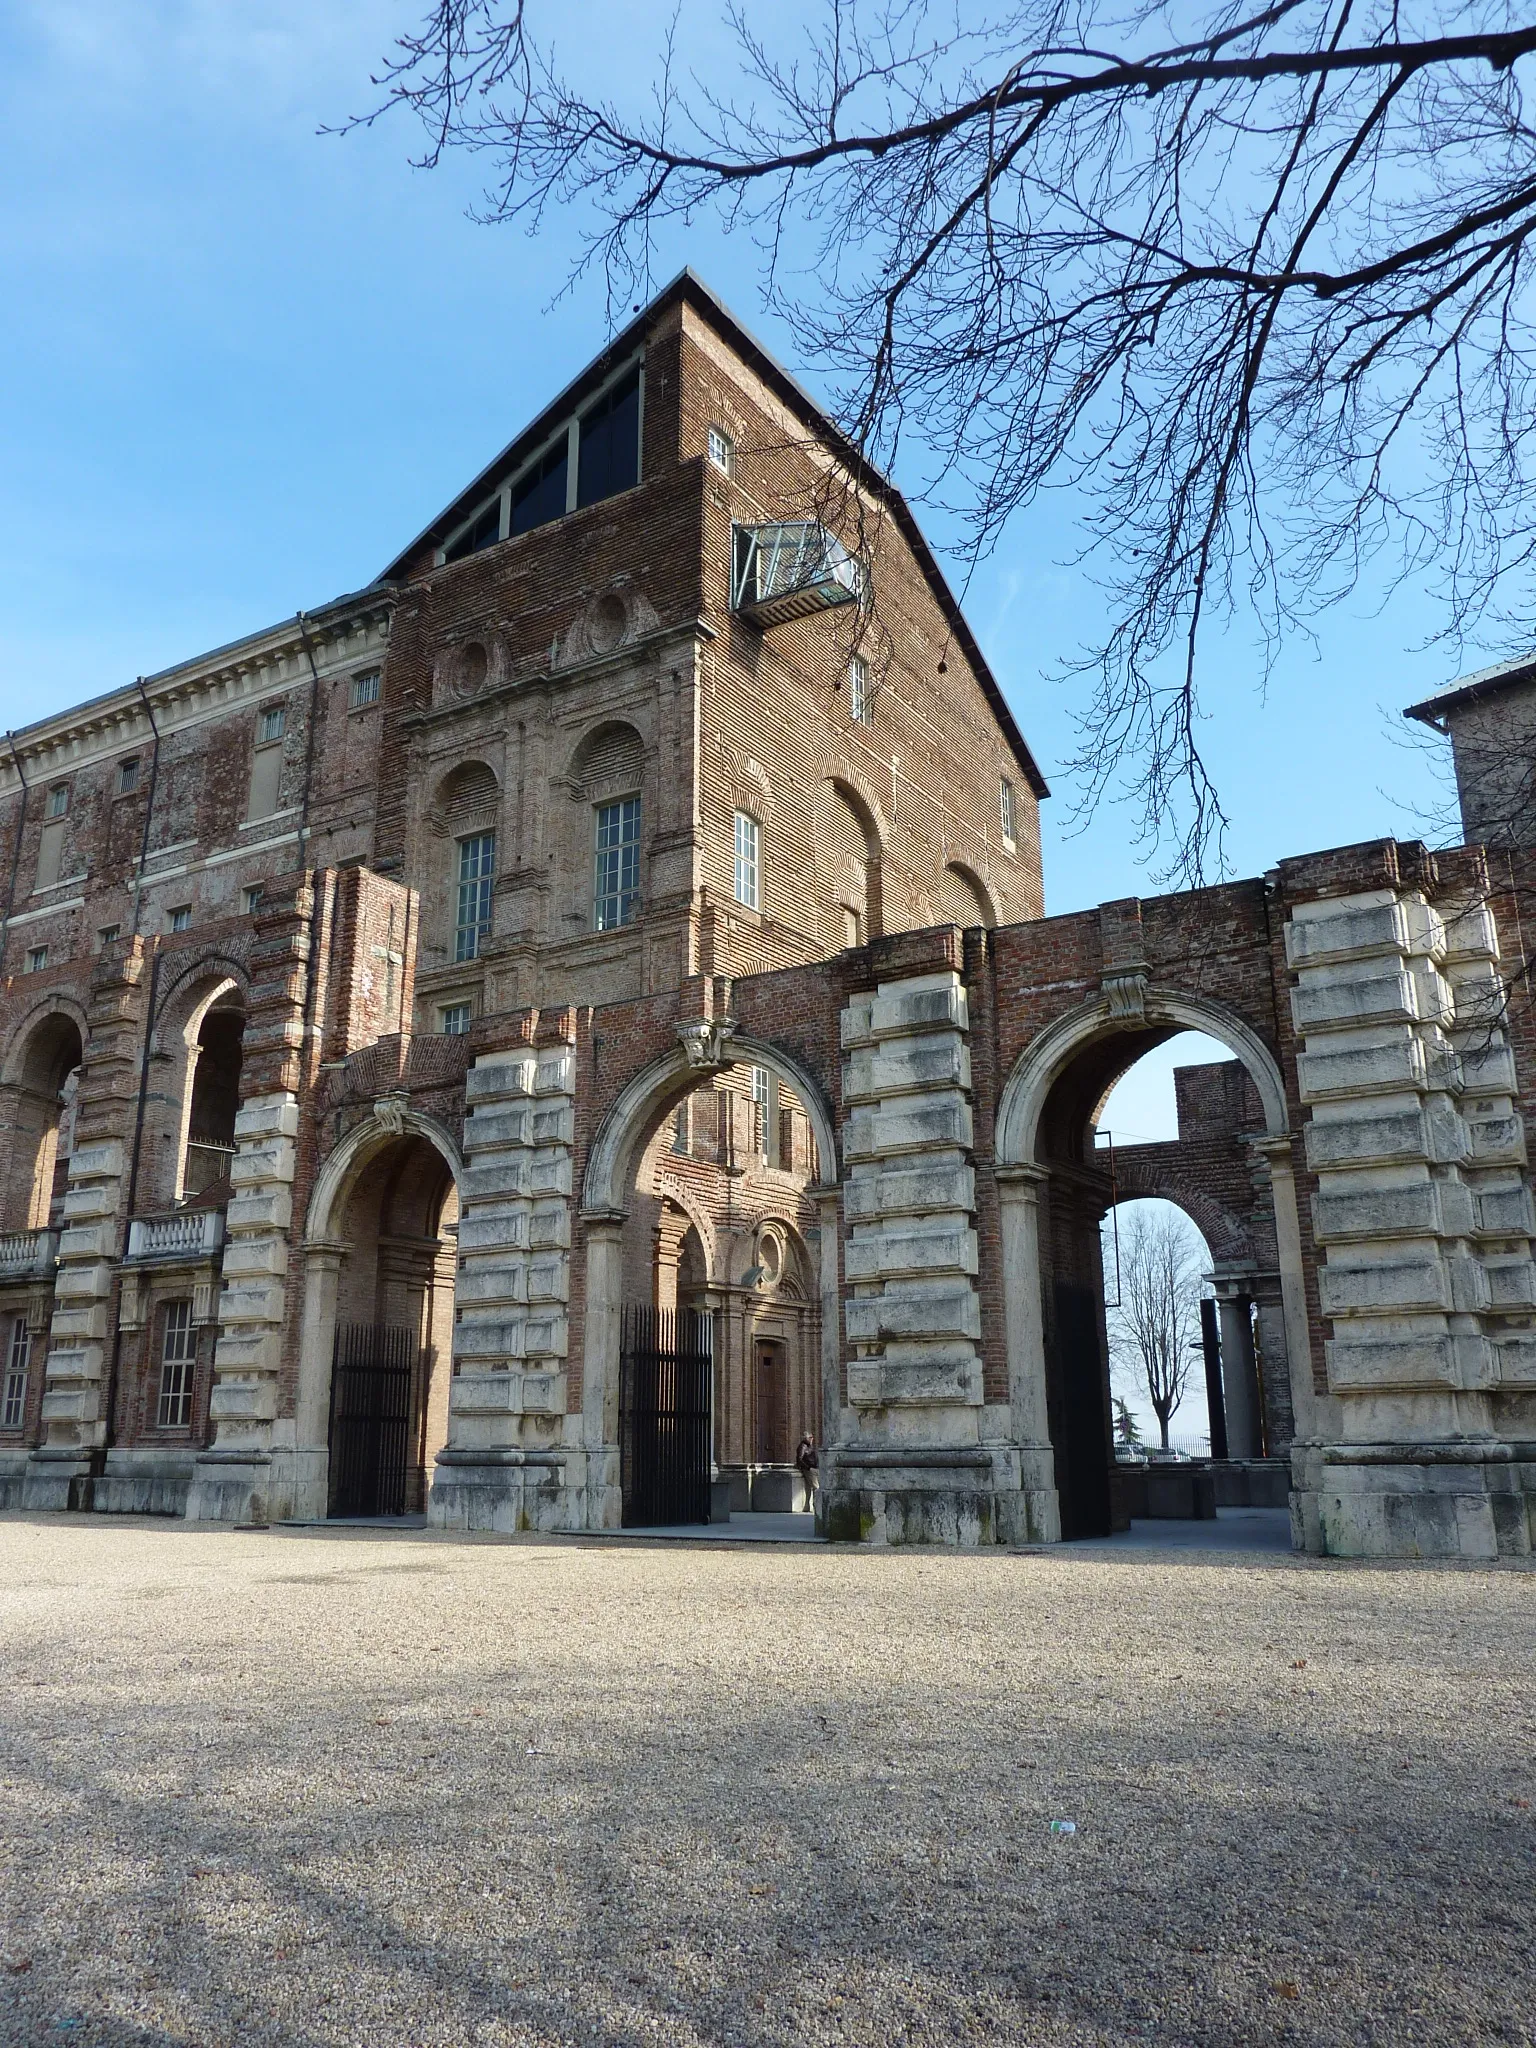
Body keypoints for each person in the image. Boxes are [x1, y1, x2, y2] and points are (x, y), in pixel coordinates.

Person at [794, 1432, 818, 1513]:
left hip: (813, 1469)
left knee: (808, 1489)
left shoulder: (809, 1446)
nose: (812, 1439)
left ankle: (807, 1507)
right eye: (810, 1437)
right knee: (816, 1488)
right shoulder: (803, 1446)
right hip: (809, 1470)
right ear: (805, 1438)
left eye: (812, 1437)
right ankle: (816, 1506)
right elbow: (799, 1459)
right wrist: (808, 1468)